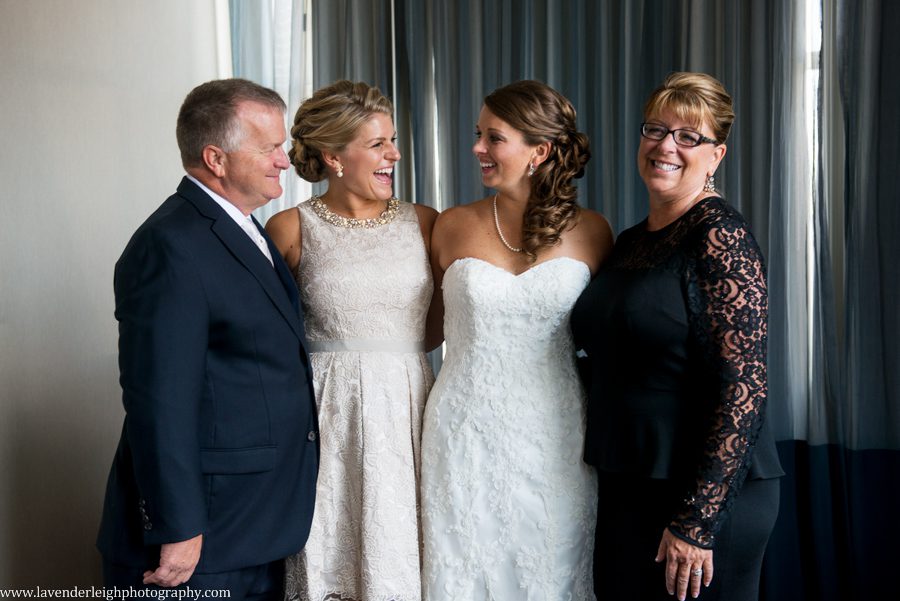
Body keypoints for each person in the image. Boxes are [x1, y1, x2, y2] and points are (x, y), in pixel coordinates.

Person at [96, 79, 319, 600]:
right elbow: (159, 399)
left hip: (253, 523)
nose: (284, 161)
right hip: (200, 538)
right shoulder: (170, 244)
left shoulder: (243, 226)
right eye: (269, 148)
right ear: (216, 158)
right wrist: (177, 526)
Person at [571, 72, 784, 601]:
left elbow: (744, 388)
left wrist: (697, 521)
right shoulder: (629, 242)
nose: (666, 146)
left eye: (689, 136)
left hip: (702, 495)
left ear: (716, 156)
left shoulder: (720, 235)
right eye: (656, 130)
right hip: (628, 479)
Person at [420, 80, 613, 600]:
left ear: (539, 151)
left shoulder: (594, 232)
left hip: (556, 432)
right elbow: (425, 330)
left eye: (493, 137)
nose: (477, 148)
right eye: (478, 134)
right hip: (462, 432)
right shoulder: (450, 226)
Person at [265, 80, 440, 601]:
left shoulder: (425, 223)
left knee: (403, 546)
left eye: (393, 141)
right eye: (378, 144)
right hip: (326, 412)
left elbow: (439, 323)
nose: (395, 154)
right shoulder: (289, 228)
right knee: (330, 549)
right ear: (334, 157)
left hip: (410, 404)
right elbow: (270, 339)